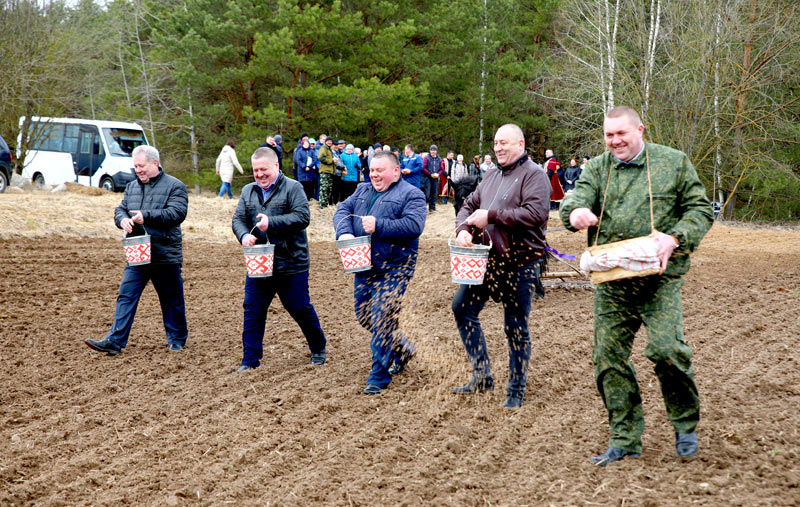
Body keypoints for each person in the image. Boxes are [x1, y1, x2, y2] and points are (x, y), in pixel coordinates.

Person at [559, 106, 713, 465]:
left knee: (666, 351)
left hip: (660, 279)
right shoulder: (598, 168)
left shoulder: (673, 163)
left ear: (639, 129)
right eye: (608, 136)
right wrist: (575, 213)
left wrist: (675, 237)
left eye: (621, 135)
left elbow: (700, 210)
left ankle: (685, 424)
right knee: (608, 359)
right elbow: (575, 198)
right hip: (613, 282)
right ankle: (625, 436)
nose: (614, 142)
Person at [451, 124, 550, 409]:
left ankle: (516, 389)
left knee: (515, 327)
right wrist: (462, 229)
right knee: (462, 308)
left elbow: (535, 214)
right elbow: (468, 205)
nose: (498, 148)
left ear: (520, 144)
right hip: (487, 262)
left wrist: (491, 216)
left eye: (504, 143)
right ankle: (482, 376)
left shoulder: (535, 176)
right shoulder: (491, 175)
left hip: (520, 263)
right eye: (495, 143)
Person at [333, 151, 427, 395]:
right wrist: (343, 232)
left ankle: (379, 377)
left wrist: (379, 225)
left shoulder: (412, 194)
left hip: (396, 267)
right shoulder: (362, 190)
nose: (374, 174)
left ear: (396, 171)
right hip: (364, 265)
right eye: (372, 170)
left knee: (382, 317)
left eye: (380, 170)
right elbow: (342, 210)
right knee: (365, 316)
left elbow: (415, 225)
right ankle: (402, 348)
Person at [85, 145, 189, 356]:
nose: (138, 170)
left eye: (141, 166)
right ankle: (115, 341)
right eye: (135, 167)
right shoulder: (132, 186)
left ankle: (177, 339)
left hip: (164, 253)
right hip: (138, 252)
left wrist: (146, 216)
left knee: (171, 299)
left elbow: (177, 213)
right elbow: (121, 209)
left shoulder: (175, 186)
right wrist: (122, 220)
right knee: (126, 295)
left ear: (154, 163)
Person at [231, 147, 327, 372]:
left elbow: (303, 217)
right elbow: (238, 219)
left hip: (291, 262)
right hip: (259, 262)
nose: (259, 174)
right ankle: (250, 360)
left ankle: (318, 346)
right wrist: (244, 235)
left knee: (299, 307)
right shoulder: (248, 191)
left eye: (263, 169)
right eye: (255, 170)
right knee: (252, 309)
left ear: (276, 166)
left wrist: (271, 223)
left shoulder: (293, 188)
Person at [422, 144, 444, 212]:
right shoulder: (426, 158)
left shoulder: (439, 159)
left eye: (434, 150)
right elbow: (423, 167)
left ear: (436, 151)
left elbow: (442, 169)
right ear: (430, 151)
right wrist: (430, 174)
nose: (433, 151)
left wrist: (438, 174)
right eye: (431, 150)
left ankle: (432, 208)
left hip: (435, 177)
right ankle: (423, 208)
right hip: (427, 177)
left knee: (434, 193)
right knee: (427, 193)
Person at [294, 136, 318, 201]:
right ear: (302, 144)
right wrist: (304, 166)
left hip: (310, 172)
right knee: (302, 185)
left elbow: (314, 159)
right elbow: (298, 160)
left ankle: (309, 199)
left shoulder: (311, 152)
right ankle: (302, 199)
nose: (306, 145)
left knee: (310, 186)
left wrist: (309, 167)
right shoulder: (299, 151)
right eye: (305, 144)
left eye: (307, 144)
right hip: (302, 172)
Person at [317, 137, 335, 207]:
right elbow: (321, 158)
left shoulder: (329, 149)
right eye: (328, 141)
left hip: (330, 171)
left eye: (331, 141)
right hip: (324, 171)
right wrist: (331, 161)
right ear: (325, 142)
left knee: (328, 189)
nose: (329, 142)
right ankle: (322, 204)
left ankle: (325, 204)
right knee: (324, 188)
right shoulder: (323, 148)